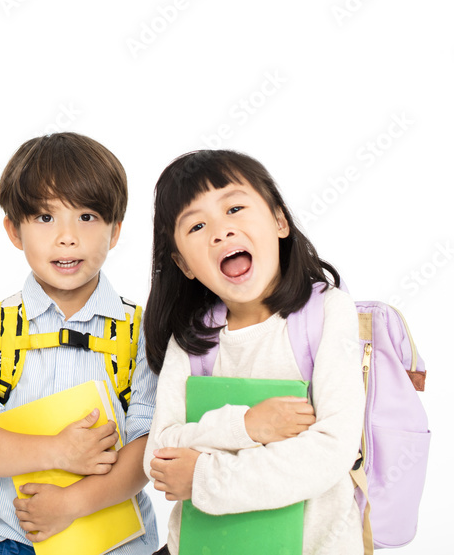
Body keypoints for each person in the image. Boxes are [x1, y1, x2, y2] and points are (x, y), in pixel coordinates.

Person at [0, 132, 160, 555]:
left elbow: (149, 444)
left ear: (115, 231)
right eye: (45, 218)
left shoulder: (142, 330)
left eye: (87, 217)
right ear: (14, 230)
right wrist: (59, 451)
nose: (67, 237)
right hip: (15, 542)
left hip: (120, 545)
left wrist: (72, 504)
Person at [142, 150, 365, 555]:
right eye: (196, 225)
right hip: (199, 546)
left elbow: (332, 449)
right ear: (184, 264)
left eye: (236, 208)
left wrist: (203, 477)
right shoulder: (192, 338)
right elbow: (158, 456)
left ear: (279, 221)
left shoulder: (328, 312)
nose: (221, 231)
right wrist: (246, 427)